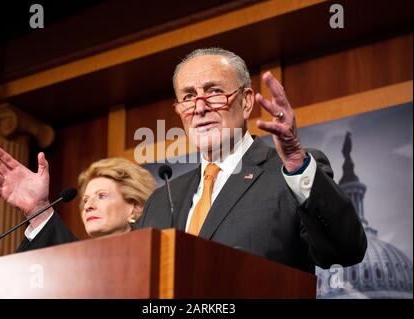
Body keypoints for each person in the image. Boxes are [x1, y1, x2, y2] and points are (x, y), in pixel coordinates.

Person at [134, 48, 367, 274]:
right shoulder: (161, 200)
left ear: (246, 102)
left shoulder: (290, 173)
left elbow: (345, 250)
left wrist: (297, 164)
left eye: (214, 91)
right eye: (188, 97)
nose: (200, 108)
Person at [0, 151, 156, 251]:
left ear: (135, 207)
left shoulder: (153, 256)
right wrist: (37, 211)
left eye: (101, 196)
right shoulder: (77, 258)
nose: (88, 206)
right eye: (86, 200)